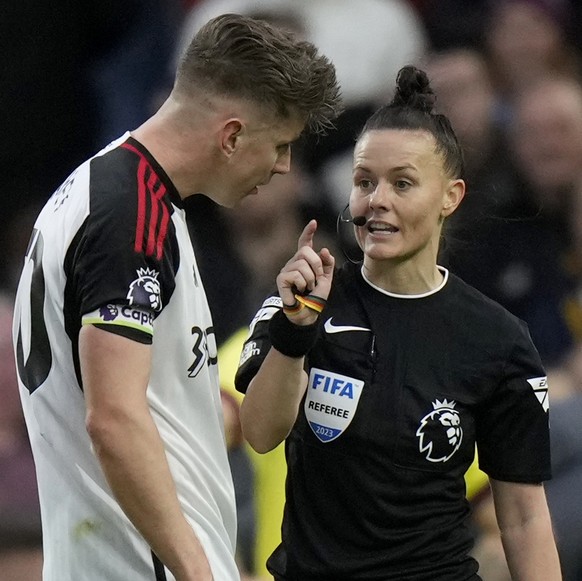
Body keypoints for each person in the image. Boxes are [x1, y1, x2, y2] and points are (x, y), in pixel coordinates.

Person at [11, 13, 341, 581]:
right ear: (232, 135)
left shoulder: (114, 191)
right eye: (281, 145)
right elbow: (113, 417)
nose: (284, 166)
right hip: (140, 565)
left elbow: (164, 409)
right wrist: (197, 569)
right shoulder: (130, 218)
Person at [235, 66, 561, 580]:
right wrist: (296, 334)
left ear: (450, 197)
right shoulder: (301, 302)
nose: (376, 199)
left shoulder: (498, 340)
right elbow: (260, 433)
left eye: (402, 183)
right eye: (364, 181)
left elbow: (522, 517)